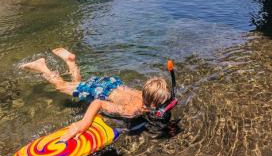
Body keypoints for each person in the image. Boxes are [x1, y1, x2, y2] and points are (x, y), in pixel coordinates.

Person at [20, 48, 171, 141]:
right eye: (162, 103)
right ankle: (42, 66)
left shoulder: (143, 93)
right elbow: (97, 103)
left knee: (78, 88)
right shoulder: (132, 110)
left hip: (112, 83)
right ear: (152, 103)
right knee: (61, 86)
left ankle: (70, 61)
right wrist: (84, 123)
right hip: (100, 91)